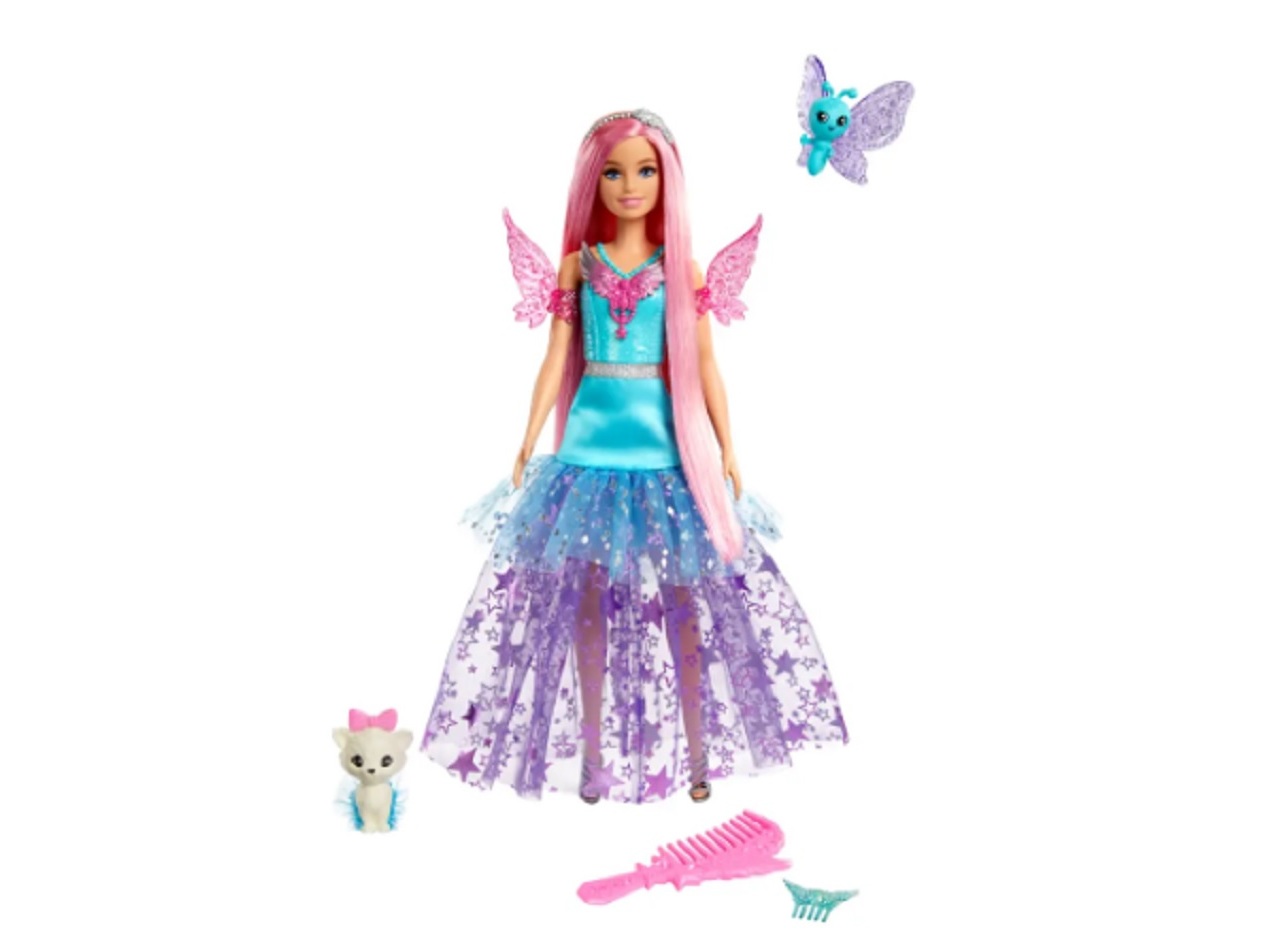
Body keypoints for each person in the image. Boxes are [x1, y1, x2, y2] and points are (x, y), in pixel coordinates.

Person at [420, 109, 847, 804]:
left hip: (666, 459)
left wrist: (727, 447)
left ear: (665, 180)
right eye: (614, 173)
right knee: (584, 609)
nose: (629, 186)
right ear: (593, 182)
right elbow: (555, 356)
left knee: (687, 607)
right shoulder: (579, 266)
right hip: (586, 458)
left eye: (645, 171)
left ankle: (697, 754)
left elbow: (705, 364)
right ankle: (594, 756)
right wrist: (527, 439)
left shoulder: (679, 270)